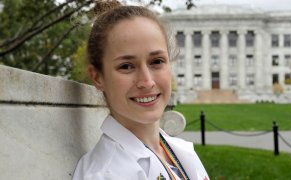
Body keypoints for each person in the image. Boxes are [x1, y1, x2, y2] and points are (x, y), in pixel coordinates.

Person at [72, 0, 209, 179]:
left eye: (157, 61)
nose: (147, 81)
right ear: (98, 77)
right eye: (127, 66)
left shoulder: (175, 151)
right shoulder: (106, 174)